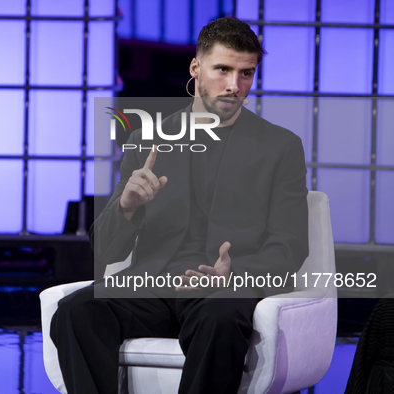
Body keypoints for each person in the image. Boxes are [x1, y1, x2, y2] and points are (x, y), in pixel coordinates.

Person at [50, 17, 309, 394]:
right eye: (223, 69)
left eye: (246, 73)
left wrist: (233, 272)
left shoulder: (279, 147)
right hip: (152, 286)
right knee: (76, 310)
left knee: (220, 317)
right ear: (196, 68)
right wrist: (126, 206)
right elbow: (104, 250)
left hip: (220, 292)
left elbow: (289, 245)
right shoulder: (148, 139)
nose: (234, 86)